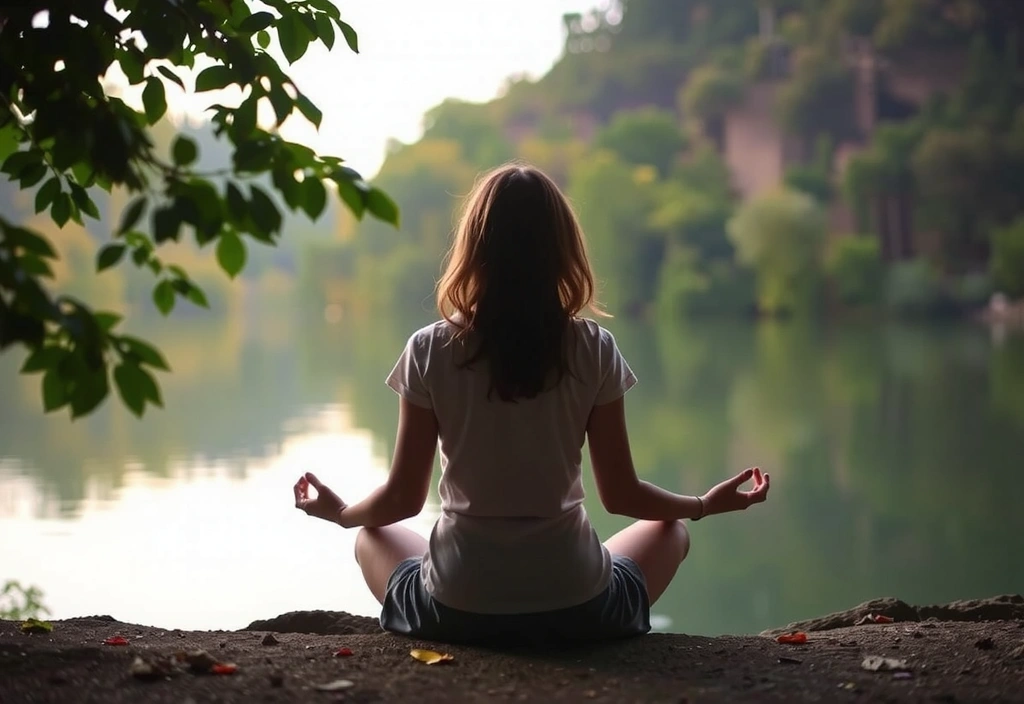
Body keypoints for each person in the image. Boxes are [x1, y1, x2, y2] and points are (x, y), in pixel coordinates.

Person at [293, 163, 770, 644]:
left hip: (456, 609)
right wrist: (702, 505)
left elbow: (402, 500)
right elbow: (622, 495)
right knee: (673, 531)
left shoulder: (429, 348)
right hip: (577, 607)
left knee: (370, 535)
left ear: (475, 250)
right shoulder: (594, 347)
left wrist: (342, 513)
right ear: (562, 251)